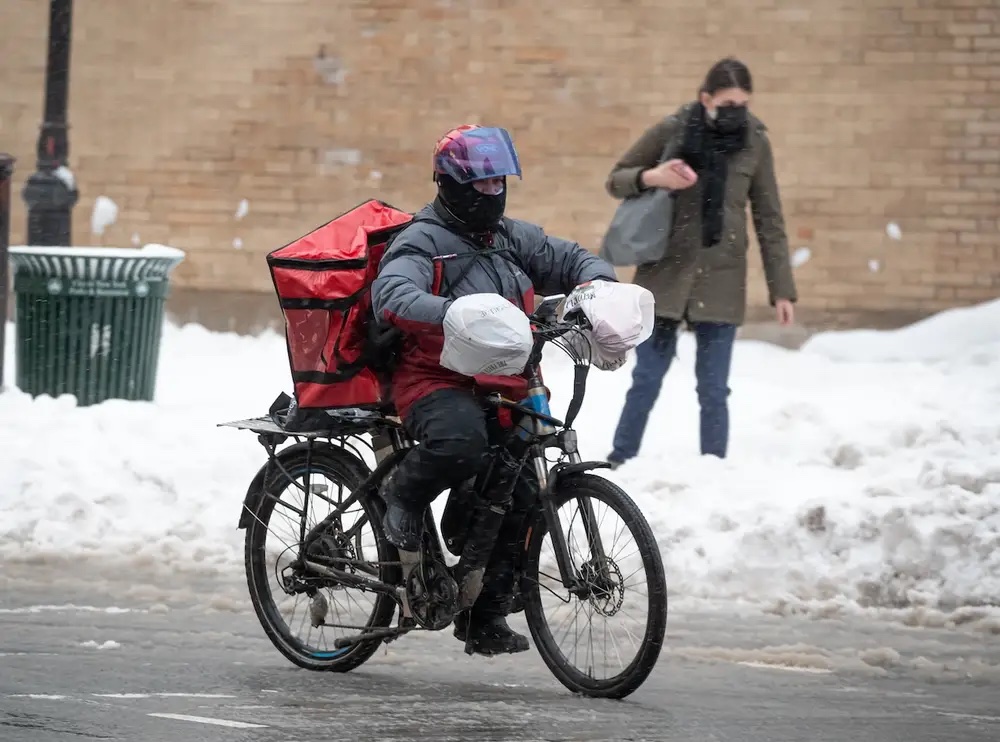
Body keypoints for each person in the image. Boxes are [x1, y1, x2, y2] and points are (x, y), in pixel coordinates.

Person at [370, 124, 620, 656]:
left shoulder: (509, 236)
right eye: (480, 185)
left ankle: (483, 615)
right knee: (461, 443)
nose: (492, 194)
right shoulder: (422, 240)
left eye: (498, 183)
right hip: (436, 376)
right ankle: (403, 496)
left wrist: (598, 289)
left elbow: (572, 258)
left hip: (507, 377)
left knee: (524, 488)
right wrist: (452, 313)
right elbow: (391, 294)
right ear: (449, 184)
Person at [603, 57, 798, 467]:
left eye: (743, 104)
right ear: (705, 98)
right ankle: (620, 461)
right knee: (646, 379)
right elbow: (617, 178)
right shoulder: (673, 130)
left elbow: (769, 218)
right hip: (666, 272)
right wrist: (655, 177)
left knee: (713, 389)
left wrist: (782, 289)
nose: (736, 112)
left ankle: (713, 471)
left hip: (722, 277)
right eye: (727, 104)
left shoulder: (755, 142)